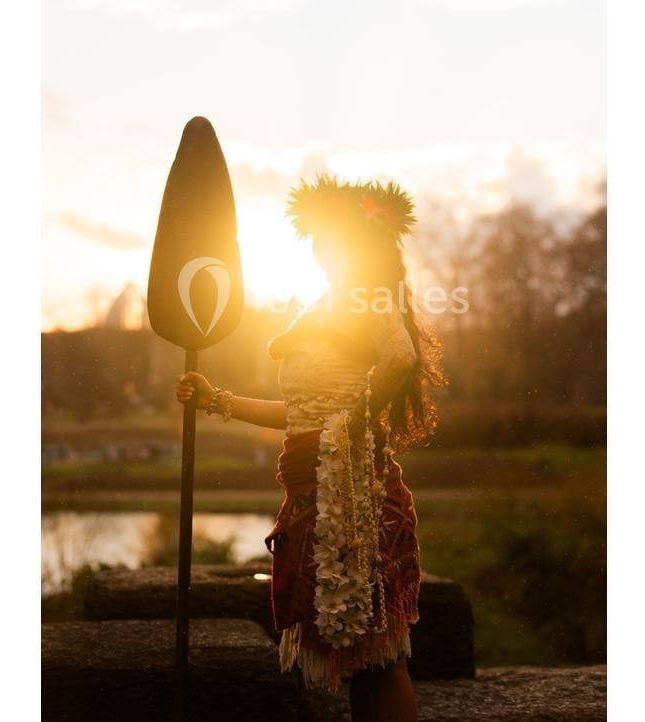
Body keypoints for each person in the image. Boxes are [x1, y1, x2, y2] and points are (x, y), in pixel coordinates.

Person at [175, 175, 444, 722]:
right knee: (361, 656)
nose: (322, 248)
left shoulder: (368, 296)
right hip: (311, 488)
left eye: (333, 238)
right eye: (318, 239)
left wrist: (357, 424)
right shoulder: (325, 304)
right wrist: (218, 400)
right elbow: (299, 412)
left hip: (353, 492)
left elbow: (399, 356)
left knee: (379, 655)